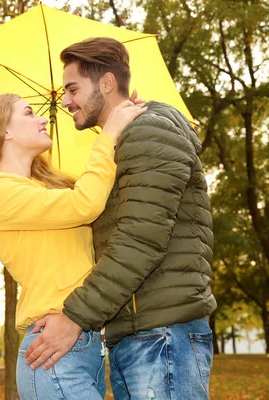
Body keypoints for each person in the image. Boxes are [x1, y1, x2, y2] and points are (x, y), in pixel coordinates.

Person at [24, 37, 216, 400]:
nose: (65, 101)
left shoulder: (148, 132)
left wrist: (75, 318)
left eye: (72, 88)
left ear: (107, 84)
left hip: (162, 335)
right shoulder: (121, 142)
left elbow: (139, 243)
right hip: (138, 333)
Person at [0, 92, 146, 399]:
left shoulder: (42, 192)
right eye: (28, 113)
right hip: (53, 352)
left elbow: (98, 200)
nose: (40, 119)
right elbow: (85, 204)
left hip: (83, 344)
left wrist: (116, 115)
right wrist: (109, 132)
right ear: (4, 130)